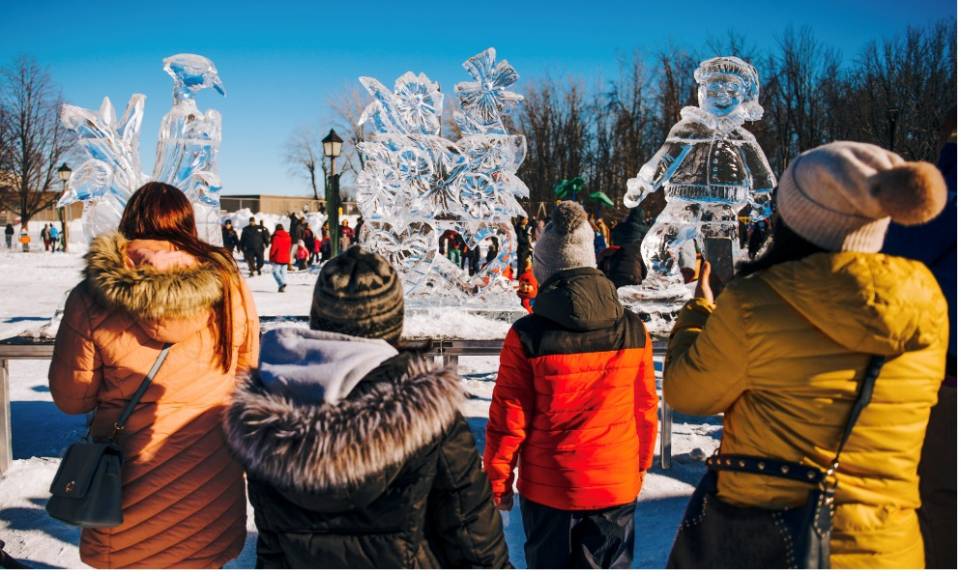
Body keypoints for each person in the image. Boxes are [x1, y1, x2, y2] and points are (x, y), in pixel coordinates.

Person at [663, 142, 949, 569]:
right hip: (885, 548)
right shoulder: (926, 297)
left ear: (797, 215)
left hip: (771, 536)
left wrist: (698, 312)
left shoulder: (755, 301)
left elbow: (687, 393)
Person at [225, 246, 509, 569]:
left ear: (319, 316)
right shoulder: (426, 409)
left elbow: (273, 543)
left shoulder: (269, 410)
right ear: (393, 321)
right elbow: (471, 533)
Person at [48, 182, 259, 568]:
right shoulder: (228, 287)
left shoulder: (92, 295)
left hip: (124, 481)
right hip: (209, 479)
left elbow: (71, 397)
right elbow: (246, 373)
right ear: (186, 224)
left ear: (130, 221)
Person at [485, 201, 659, 569]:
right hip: (615, 481)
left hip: (551, 489)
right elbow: (644, 408)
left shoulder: (528, 335)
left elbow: (508, 419)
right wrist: (639, 465)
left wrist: (498, 482)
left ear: (545, 268)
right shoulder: (633, 328)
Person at [881, 115, 956, 569]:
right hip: (937, 370)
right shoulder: (934, 200)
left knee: (937, 500)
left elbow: (889, 276)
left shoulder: (929, 202)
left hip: (937, 376)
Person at [269, 223, 291, 292]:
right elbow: (289, 247)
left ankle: (282, 283)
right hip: (286, 257)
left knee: (275, 272)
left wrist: (271, 256)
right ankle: (281, 288)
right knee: (283, 273)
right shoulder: (288, 237)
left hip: (278, 257)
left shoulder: (276, 237)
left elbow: (274, 248)